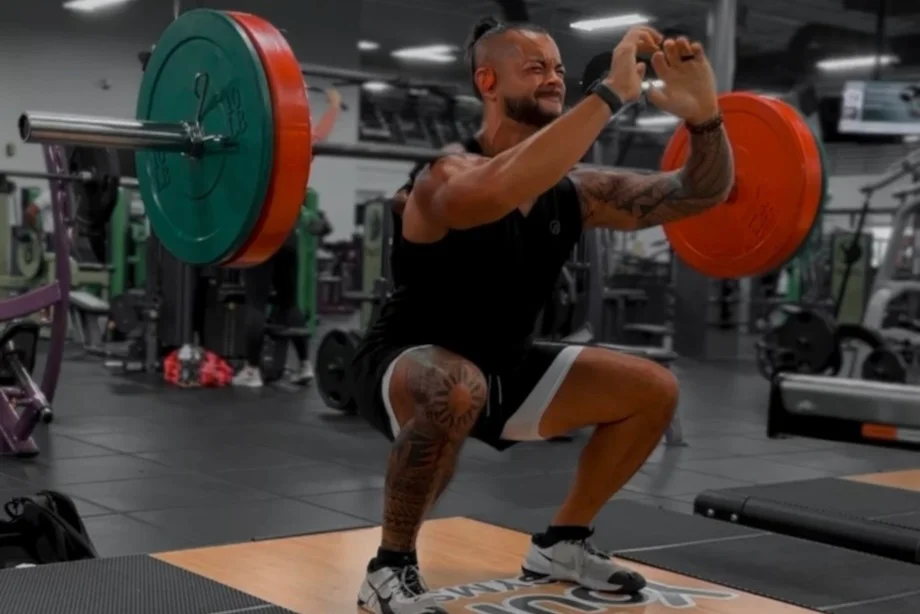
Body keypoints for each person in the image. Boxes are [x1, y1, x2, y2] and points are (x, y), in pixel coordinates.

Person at [351, 17, 734, 614]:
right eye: (536, 69)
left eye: (558, 69)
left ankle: (563, 542)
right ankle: (389, 567)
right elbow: (498, 190)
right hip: (406, 365)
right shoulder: (443, 176)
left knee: (653, 389)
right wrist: (608, 96)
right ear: (487, 81)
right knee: (456, 387)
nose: (555, 79)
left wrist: (705, 117)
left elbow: (699, 194)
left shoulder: (575, 193)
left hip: (508, 366)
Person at [233, 87, 343, 388]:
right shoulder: (301, 146)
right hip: (288, 233)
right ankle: (305, 365)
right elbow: (320, 133)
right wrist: (334, 105)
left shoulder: (256, 147)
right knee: (289, 301)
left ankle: (252, 371)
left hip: (261, 233)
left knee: (256, 302)